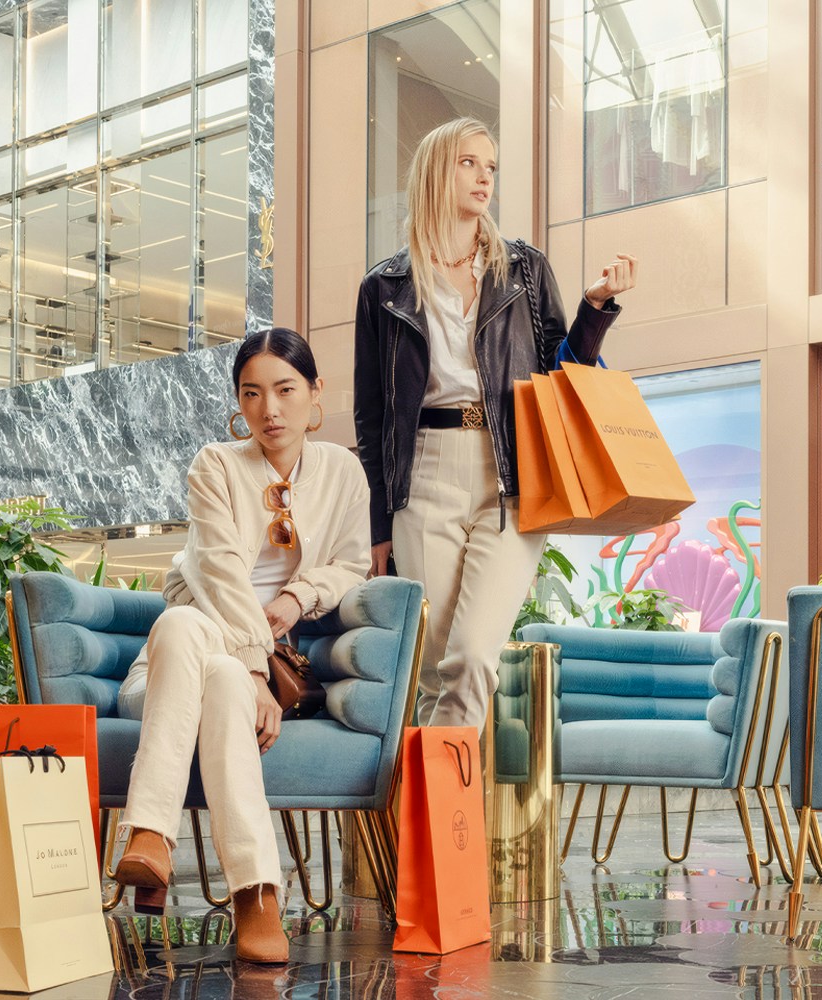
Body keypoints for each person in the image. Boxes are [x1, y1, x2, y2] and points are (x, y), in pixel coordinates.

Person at [353, 116, 637, 730]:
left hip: (510, 471)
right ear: (436, 168)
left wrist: (594, 310)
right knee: (432, 672)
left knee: (474, 656)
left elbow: (568, 370)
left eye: (491, 168)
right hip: (423, 474)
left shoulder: (524, 271)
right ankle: (443, 820)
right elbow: (372, 421)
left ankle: (444, 821)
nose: (485, 178)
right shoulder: (384, 285)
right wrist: (378, 526)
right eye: (469, 163)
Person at [112, 327, 371, 963]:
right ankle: (256, 894)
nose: (269, 410)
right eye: (251, 394)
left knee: (223, 679)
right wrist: (255, 670)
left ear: (315, 394)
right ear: (238, 402)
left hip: (233, 675)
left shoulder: (343, 471)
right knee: (180, 625)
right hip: (168, 674)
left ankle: (151, 836)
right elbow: (220, 572)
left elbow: (352, 565)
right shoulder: (216, 465)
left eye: (285, 390)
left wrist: (296, 599)